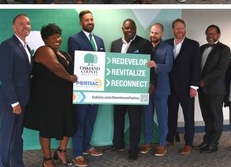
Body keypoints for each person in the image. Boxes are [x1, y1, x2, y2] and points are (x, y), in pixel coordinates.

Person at [25, 24, 78, 167]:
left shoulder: (65, 54)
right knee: (47, 128)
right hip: (47, 98)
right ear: (45, 39)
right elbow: (55, 67)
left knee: (67, 125)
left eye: (58, 36)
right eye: (52, 37)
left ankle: (61, 151)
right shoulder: (43, 50)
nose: (57, 39)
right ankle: (47, 160)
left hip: (65, 97)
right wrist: (70, 78)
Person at [109, 19, 153, 162]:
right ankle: (118, 144)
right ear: (123, 29)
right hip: (118, 88)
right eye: (127, 28)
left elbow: (150, 64)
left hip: (136, 89)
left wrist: (152, 83)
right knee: (118, 117)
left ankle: (133, 149)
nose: (130, 30)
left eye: (133, 27)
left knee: (135, 121)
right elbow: (111, 65)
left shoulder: (144, 43)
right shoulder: (115, 44)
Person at [67, 10, 105, 166]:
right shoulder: (74, 39)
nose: (90, 22)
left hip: (97, 87)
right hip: (82, 87)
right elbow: (76, 62)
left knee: (91, 120)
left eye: (91, 19)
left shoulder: (100, 40)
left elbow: (104, 61)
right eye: (86, 20)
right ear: (80, 23)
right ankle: (77, 153)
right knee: (80, 121)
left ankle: (87, 146)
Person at [0, 14, 32, 167]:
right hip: (10, 101)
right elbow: (5, 76)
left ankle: (17, 164)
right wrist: (14, 102)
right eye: (21, 23)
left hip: (22, 101)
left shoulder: (26, 47)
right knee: (7, 137)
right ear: (14, 27)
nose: (26, 26)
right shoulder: (7, 45)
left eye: (28, 23)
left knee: (17, 137)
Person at [165, 18, 201, 155]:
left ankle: (188, 143)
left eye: (182, 28)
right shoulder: (167, 43)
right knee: (171, 115)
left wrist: (194, 87)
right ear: (173, 30)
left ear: (185, 29)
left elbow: (196, 67)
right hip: (170, 87)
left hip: (187, 88)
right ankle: (170, 138)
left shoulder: (193, 45)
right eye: (177, 28)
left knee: (188, 117)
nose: (180, 30)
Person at [196, 25, 231, 153]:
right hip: (202, 89)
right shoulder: (202, 48)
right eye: (208, 33)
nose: (210, 36)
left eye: (213, 33)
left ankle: (213, 143)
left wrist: (204, 80)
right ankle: (207, 139)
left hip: (215, 89)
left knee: (216, 117)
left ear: (219, 35)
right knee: (207, 116)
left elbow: (221, 69)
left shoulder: (224, 49)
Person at [141, 23, 173, 157]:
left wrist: (156, 65)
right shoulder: (144, 46)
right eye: (152, 32)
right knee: (147, 117)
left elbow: (169, 67)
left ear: (162, 34)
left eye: (156, 33)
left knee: (162, 119)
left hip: (161, 89)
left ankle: (162, 144)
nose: (153, 35)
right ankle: (147, 142)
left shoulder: (168, 48)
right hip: (145, 88)